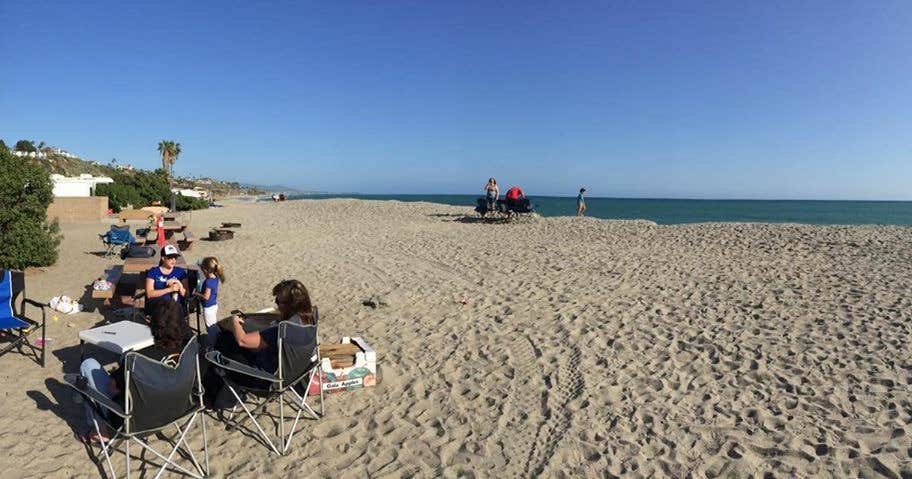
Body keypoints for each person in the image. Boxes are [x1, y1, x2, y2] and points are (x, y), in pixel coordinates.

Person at [78, 300, 192, 442]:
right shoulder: (190, 347)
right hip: (178, 407)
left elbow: (112, 389)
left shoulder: (138, 358)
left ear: (152, 325)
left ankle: (100, 432)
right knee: (123, 365)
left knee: (88, 365)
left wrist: (117, 377)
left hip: (137, 420)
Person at [206, 279, 316, 407]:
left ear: (290, 305)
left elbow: (243, 341)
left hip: (267, 381)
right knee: (231, 344)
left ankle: (213, 397)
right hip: (296, 374)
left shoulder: (283, 330)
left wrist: (234, 321)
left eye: (278, 302)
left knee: (225, 342)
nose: (276, 305)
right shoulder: (309, 320)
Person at [193, 257, 225, 347]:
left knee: (210, 329)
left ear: (205, 270)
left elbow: (206, 297)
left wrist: (196, 293)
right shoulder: (216, 278)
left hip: (208, 308)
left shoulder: (208, 282)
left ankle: (214, 346)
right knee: (214, 326)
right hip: (214, 305)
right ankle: (220, 340)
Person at [144, 244, 188, 311]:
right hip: (158, 308)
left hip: (176, 309)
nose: (173, 260)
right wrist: (170, 289)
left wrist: (180, 285)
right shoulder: (153, 272)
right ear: (163, 258)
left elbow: (186, 295)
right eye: (170, 257)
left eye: (175, 257)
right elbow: (149, 294)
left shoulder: (180, 272)